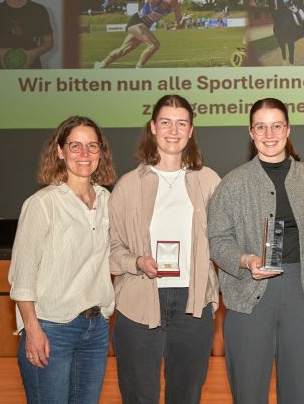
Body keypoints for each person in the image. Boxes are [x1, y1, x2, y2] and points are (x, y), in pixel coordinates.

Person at [208, 98, 304, 404]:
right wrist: (245, 259)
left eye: (276, 126)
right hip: (249, 294)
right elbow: (217, 240)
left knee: (300, 393)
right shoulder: (232, 184)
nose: (269, 134)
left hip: (303, 293)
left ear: (288, 129)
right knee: (248, 393)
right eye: (261, 127)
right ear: (251, 132)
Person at [109, 95, 220, 404]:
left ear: (191, 130)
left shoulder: (209, 181)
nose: (174, 131)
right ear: (153, 127)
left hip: (192, 303)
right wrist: (136, 261)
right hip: (139, 300)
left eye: (181, 123)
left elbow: (225, 239)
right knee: (138, 396)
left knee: (186, 396)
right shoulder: (128, 185)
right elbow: (111, 248)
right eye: (166, 122)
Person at [8, 116, 116, 403]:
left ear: (101, 151)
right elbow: (23, 276)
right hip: (51, 329)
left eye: (92, 145)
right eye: (75, 145)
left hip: (96, 329)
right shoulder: (42, 204)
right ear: (60, 151)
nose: (84, 153)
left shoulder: (107, 201)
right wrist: (32, 329)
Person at [94, 0, 184, 69]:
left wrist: (183, 21)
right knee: (154, 45)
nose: (176, 1)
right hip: (136, 22)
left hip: (145, 27)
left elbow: (180, 26)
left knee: (124, 50)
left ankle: (100, 64)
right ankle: (138, 69)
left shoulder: (175, 7)